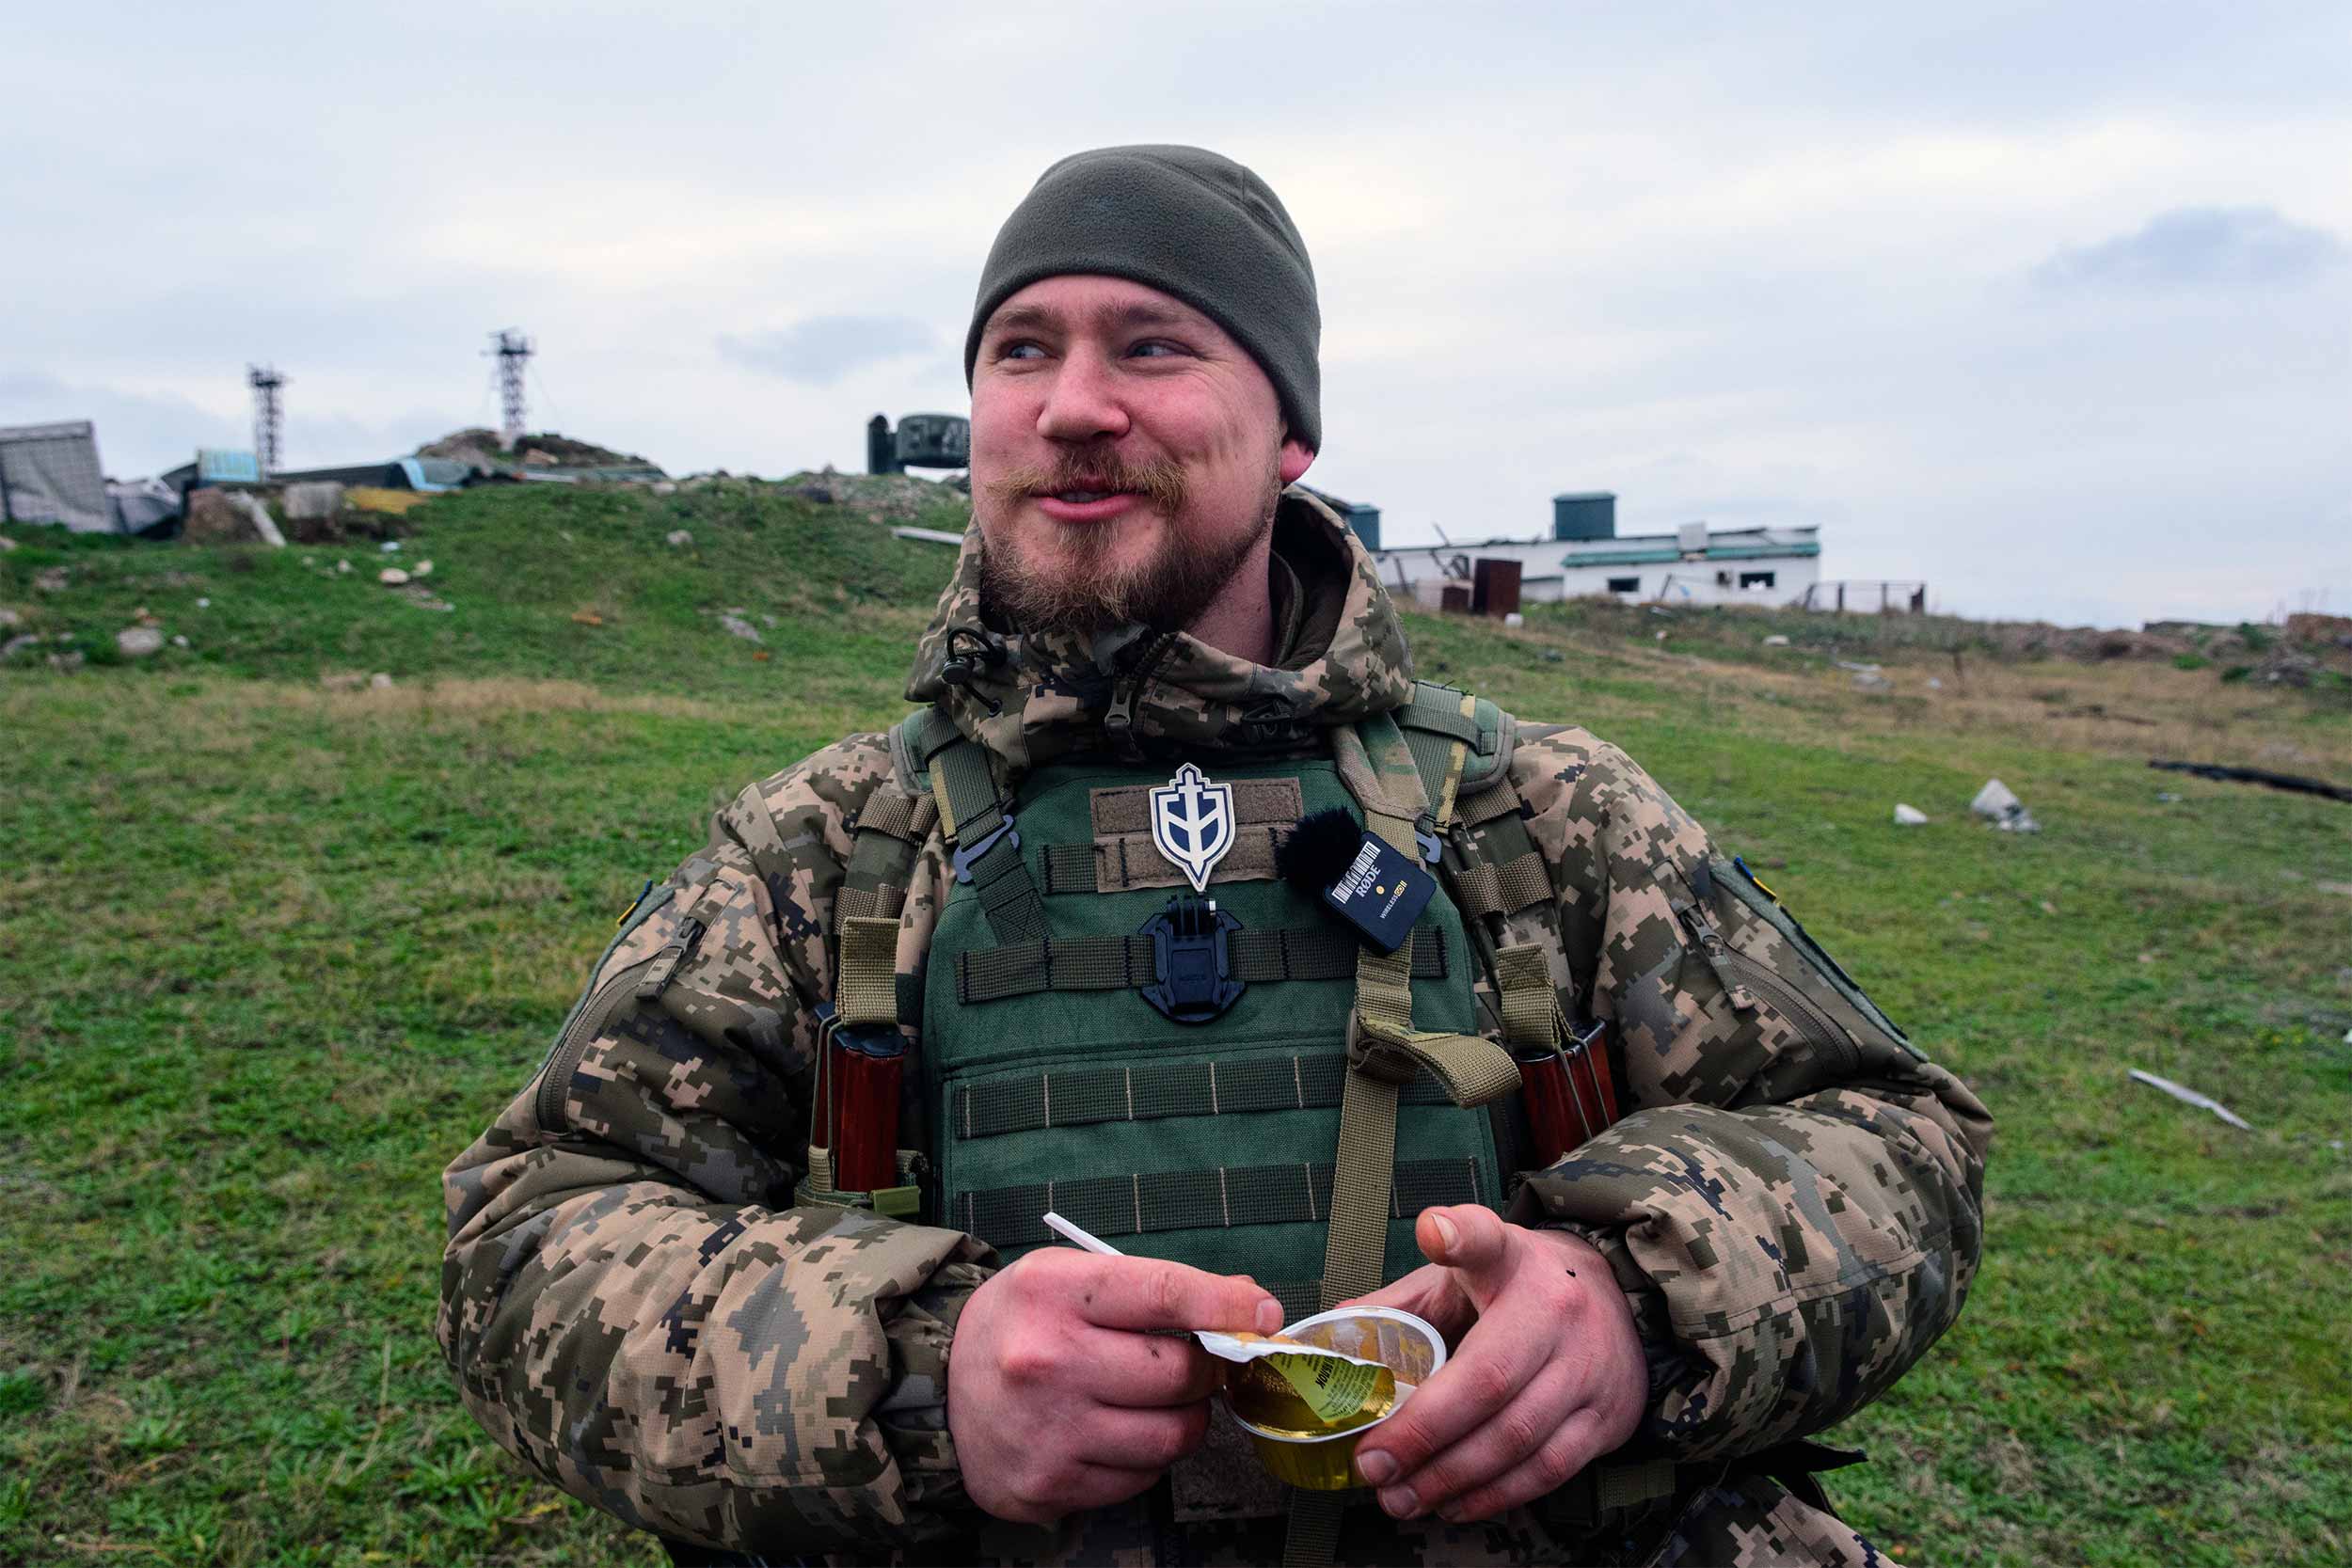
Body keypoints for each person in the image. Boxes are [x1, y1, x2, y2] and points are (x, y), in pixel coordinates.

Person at [438, 145, 1992, 1567]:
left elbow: (1898, 1146)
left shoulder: (1540, 816)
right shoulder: (828, 853)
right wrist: (913, 1378)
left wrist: (1631, 1303)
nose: (1073, 405)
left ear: (1294, 428)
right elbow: (528, 1246)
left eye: (1154, 344)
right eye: (1021, 349)